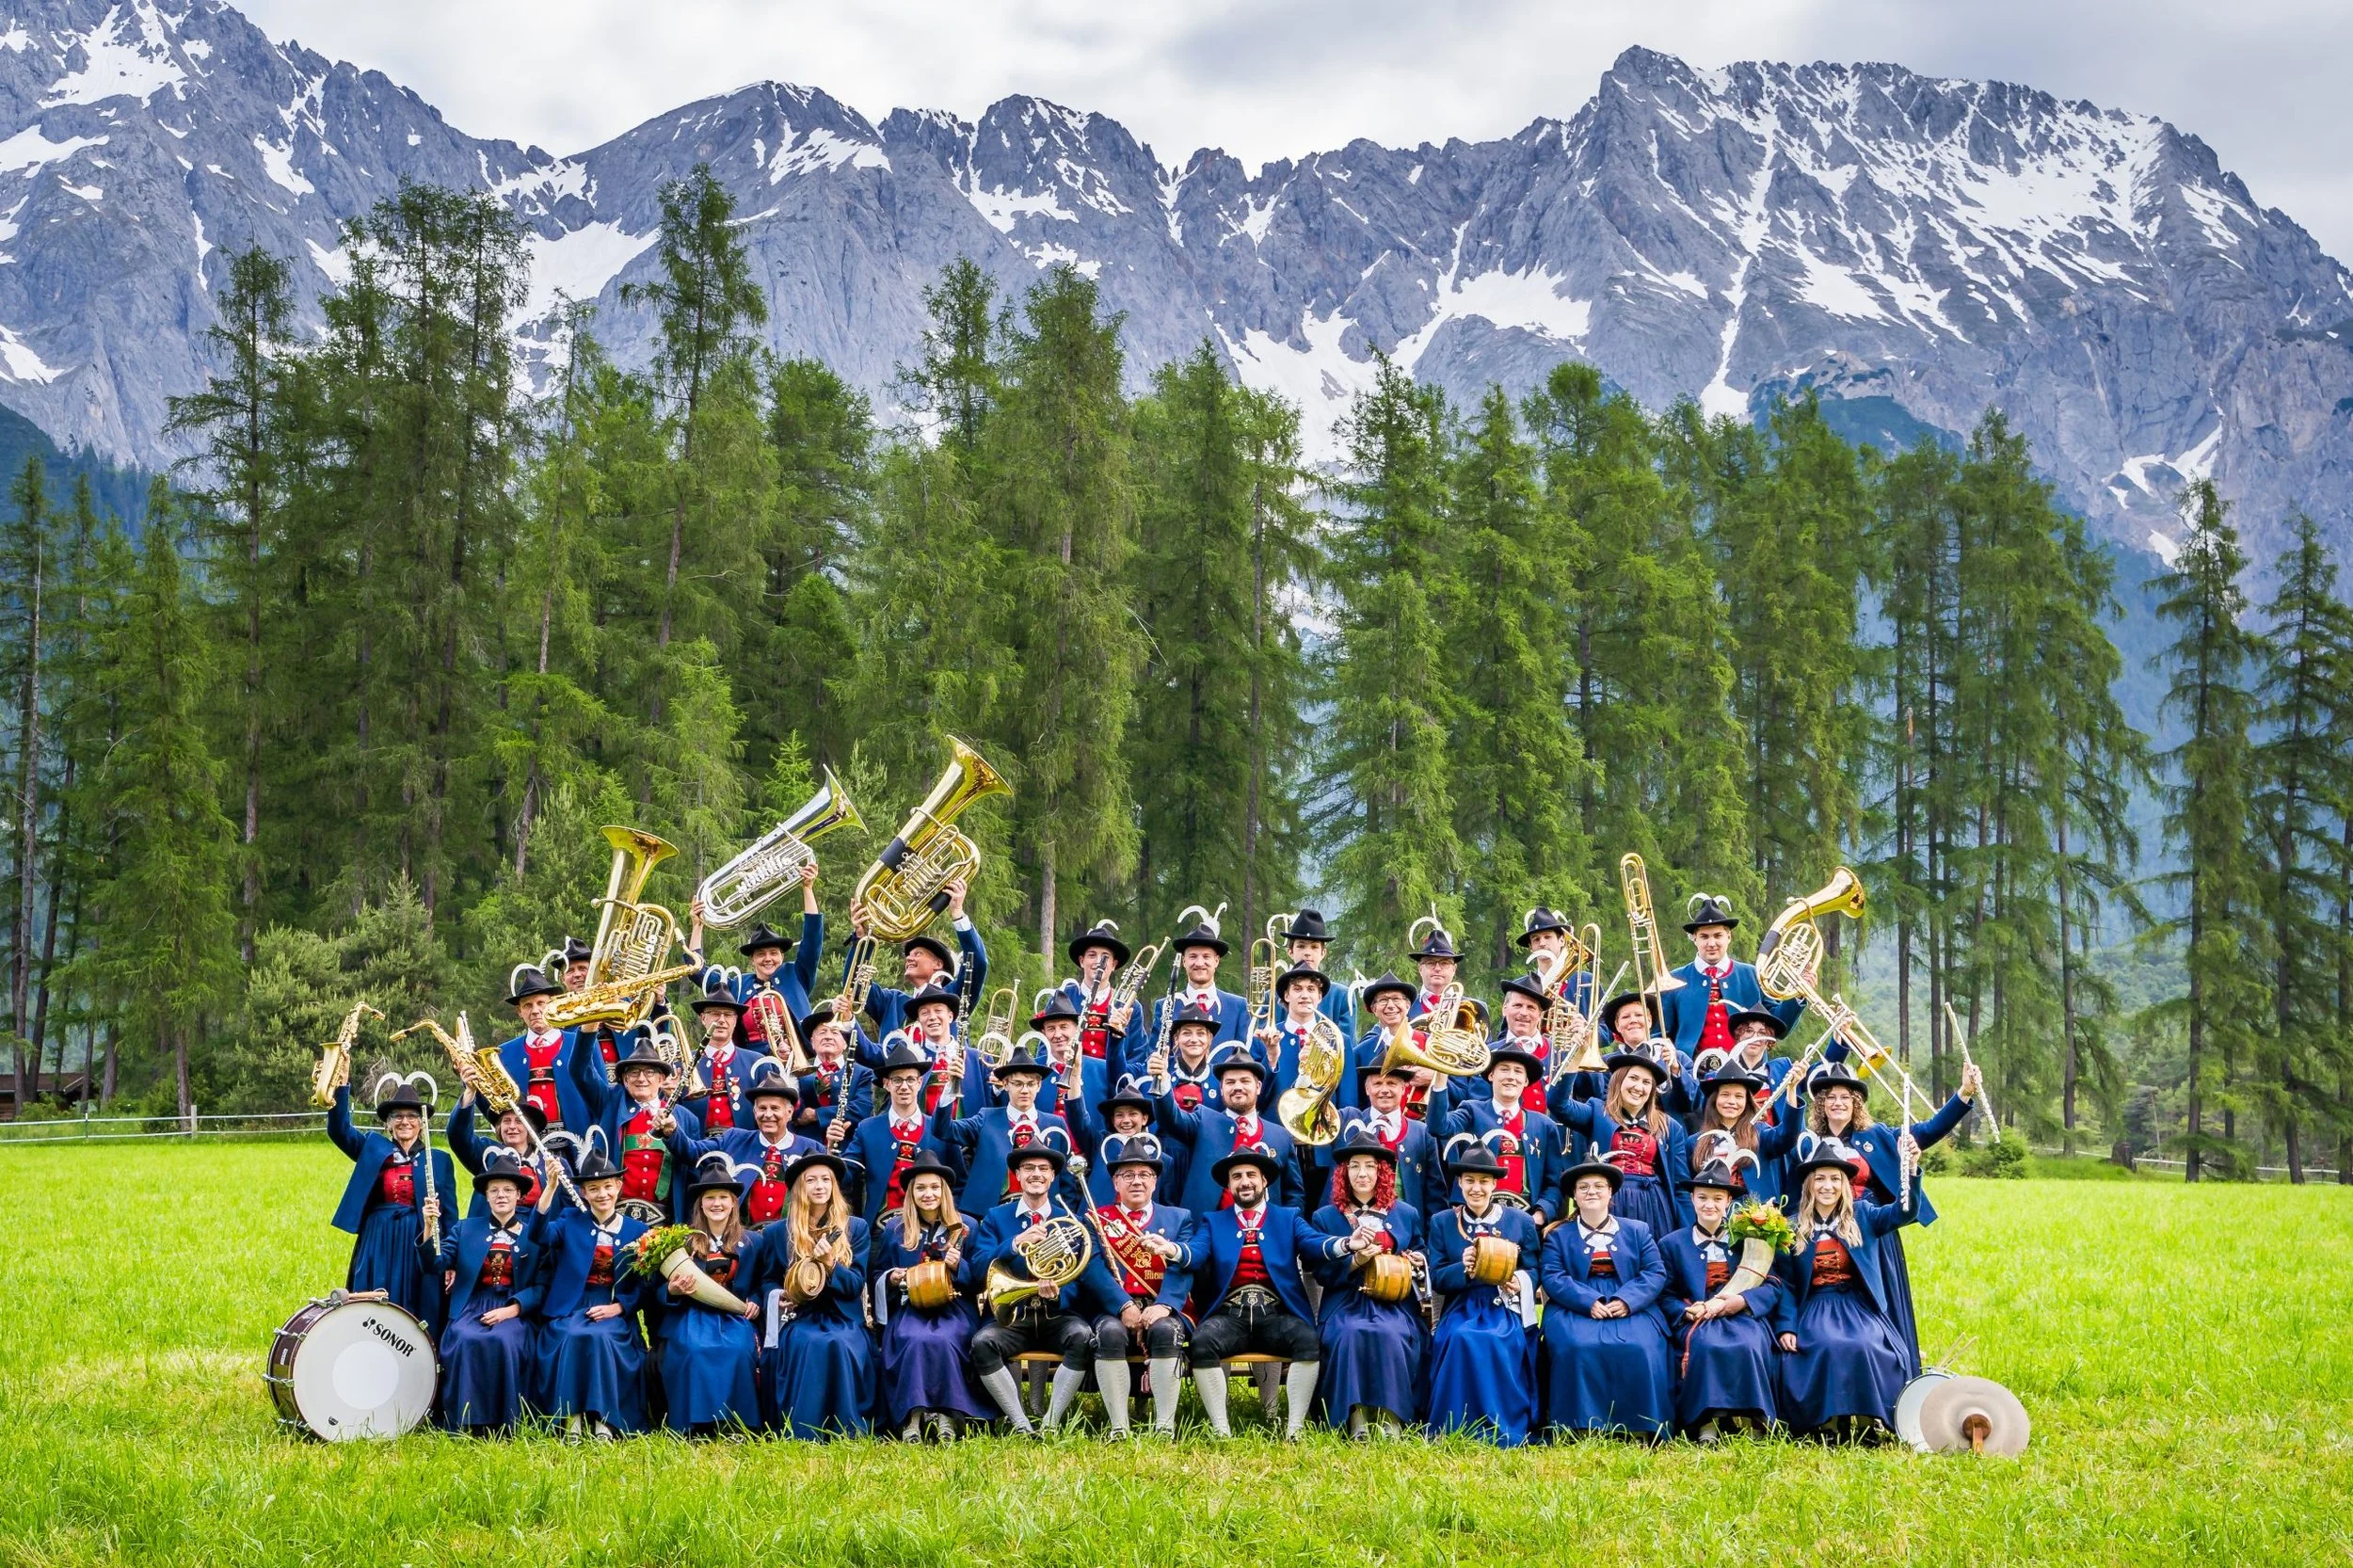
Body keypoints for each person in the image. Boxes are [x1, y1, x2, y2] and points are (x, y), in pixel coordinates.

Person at [1787, 1051, 1981, 1374]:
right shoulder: (1808, 1143)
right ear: (1820, 1104)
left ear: (1855, 1103)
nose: (1838, 1103)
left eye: (1845, 1097)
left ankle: (1891, 1375)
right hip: (1822, 1234)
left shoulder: (1876, 1137)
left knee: (1880, 1304)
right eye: (1830, 1097)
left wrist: (1963, 1094)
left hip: (1870, 1231)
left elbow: (1928, 1131)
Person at [1185, 1147, 1351, 1440]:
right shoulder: (1213, 1221)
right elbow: (1196, 1253)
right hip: (1230, 1316)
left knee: (1307, 1340)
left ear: (1264, 1181)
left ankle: (1295, 1428)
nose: (1244, 1181)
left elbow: (1315, 1243)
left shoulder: (1288, 1218)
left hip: (1276, 1314)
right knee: (1202, 1342)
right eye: (1236, 1177)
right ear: (1229, 1185)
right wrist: (1173, 1251)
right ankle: (1221, 1430)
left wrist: (1347, 1244)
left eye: (1251, 1175)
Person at [961, 1144, 1119, 1436]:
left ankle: (1051, 1421)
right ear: (1018, 1175)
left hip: (1057, 1315)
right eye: (1029, 1169)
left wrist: (1060, 1293)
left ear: (1053, 1176)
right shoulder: (997, 1217)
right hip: (1014, 1314)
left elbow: (1082, 1275)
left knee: (1082, 1338)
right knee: (983, 1343)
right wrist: (1014, 1243)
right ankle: (1019, 1421)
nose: (1036, 1174)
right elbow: (978, 1268)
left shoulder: (1070, 1220)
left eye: (1043, 1169)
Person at [1773, 1132, 1921, 1440]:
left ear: (1844, 1185)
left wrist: (1911, 1172)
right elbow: (1786, 1283)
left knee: (1865, 1344)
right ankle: (1828, 1422)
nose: (1828, 1186)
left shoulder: (1863, 1215)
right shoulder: (1792, 1227)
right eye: (1821, 1179)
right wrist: (1786, 1327)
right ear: (1809, 1185)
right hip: (1816, 1305)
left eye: (1835, 1179)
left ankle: (1870, 1420)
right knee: (1827, 1344)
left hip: (1857, 1304)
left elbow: (1904, 1213)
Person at [1540, 1145, 1673, 1440]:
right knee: (1575, 1346)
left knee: (1641, 1346)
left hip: (1630, 1300)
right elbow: (1553, 1276)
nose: (1591, 1192)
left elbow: (1654, 1272)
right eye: (1583, 1187)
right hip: (1575, 1303)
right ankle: (1580, 1424)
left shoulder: (1637, 1230)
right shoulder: (1558, 1236)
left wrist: (1626, 1301)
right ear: (1574, 1195)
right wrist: (1588, 1301)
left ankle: (1642, 1424)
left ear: (1611, 1192)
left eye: (1599, 1186)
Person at [1422, 1144, 1542, 1446]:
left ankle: (1504, 1420)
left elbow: (1535, 1268)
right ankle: (1455, 1423)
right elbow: (1437, 1278)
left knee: (1500, 1339)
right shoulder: (1442, 1222)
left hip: (1504, 1303)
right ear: (1459, 1183)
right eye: (1470, 1181)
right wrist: (1462, 1269)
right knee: (1462, 1337)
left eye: (1484, 1182)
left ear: (1494, 1184)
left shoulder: (1520, 1221)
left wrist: (1518, 1280)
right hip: (1462, 1305)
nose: (1477, 1188)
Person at [748, 1149, 873, 1439]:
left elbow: (856, 1284)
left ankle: (845, 1427)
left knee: (839, 1343)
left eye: (826, 1180)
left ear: (835, 1186)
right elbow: (767, 1279)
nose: (819, 1186)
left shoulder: (855, 1228)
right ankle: (805, 1428)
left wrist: (831, 1266)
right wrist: (781, 1294)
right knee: (808, 1342)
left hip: (841, 1315)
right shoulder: (778, 1232)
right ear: (799, 1189)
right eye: (811, 1180)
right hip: (800, 1316)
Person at [1309, 1130, 1426, 1437]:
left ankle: (1392, 1416)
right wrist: (1356, 1261)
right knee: (1349, 1333)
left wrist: (1414, 1261)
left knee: (1392, 1333)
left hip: (1394, 1301)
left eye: (1370, 1166)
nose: (1362, 1173)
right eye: (1355, 1166)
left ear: (1382, 1172)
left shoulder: (1405, 1213)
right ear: (1344, 1172)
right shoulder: (1326, 1217)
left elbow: (1422, 1253)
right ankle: (1356, 1415)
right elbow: (1322, 1272)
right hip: (1345, 1301)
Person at [534, 1134, 651, 1438]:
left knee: (602, 1338)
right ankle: (571, 1418)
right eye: (594, 1189)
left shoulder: (638, 1231)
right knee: (573, 1335)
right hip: (573, 1306)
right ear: (584, 1192)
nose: (602, 1194)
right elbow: (538, 1235)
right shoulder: (570, 1220)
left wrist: (619, 1307)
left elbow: (644, 1286)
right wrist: (549, 1188)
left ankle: (604, 1421)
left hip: (613, 1309)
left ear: (619, 1188)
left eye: (608, 1187)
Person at [871, 1148, 991, 1440]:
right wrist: (892, 1278)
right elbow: (877, 1274)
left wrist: (959, 1266)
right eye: (921, 1188)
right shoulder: (895, 1230)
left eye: (935, 1187)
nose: (928, 1194)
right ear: (911, 1193)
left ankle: (949, 1414)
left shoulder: (966, 1228)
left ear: (945, 1191)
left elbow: (980, 1279)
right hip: (911, 1305)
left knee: (946, 1339)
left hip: (955, 1307)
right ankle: (912, 1416)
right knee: (914, 1339)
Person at [1659, 1158, 1783, 1440]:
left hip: (1742, 1315)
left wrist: (1742, 1302)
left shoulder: (1748, 1241)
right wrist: (1685, 1310)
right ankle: (1707, 1421)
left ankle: (1756, 1418)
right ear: (1692, 1199)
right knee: (1706, 1345)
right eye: (1702, 1198)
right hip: (1698, 1317)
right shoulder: (1673, 1243)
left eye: (1717, 1198)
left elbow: (1772, 1284)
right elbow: (1664, 1293)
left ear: (1728, 1201)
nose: (1709, 1205)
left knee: (1750, 1343)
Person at [1087, 1134, 1198, 1439]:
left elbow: (1183, 1267)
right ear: (1116, 1183)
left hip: (1162, 1304)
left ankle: (1164, 1426)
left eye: (1144, 1175)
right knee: (1109, 1333)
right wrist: (1122, 1305)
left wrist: (1164, 1305)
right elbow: (1093, 1268)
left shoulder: (1179, 1218)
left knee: (1165, 1332)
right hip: (1115, 1306)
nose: (1137, 1181)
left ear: (1154, 1181)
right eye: (1128, 1175)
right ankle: (1118, 1426)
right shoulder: (1097, 1220)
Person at [424, 1147, 543, 1432]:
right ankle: (466, 1420)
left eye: (507, 1190)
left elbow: (542, 1284)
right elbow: (437, 1263)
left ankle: (506, 1420)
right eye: (494, 1190)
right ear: (486, 1196)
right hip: (473, 1305)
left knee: (505, 1341)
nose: (501, 1195)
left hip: (512, 1307)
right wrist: (430, 1228)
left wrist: (512, 1309)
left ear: (519, 1195)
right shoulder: (466, 1229)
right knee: (464, 1338)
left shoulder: (533, 1235)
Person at [325, 1076, 456, 1332]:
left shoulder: (438, 1160)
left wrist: (450, 1260)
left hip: (420, 1238)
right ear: (388, 1124)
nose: (405, 1121)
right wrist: (341, 1088)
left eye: (412, 1116)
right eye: (397, 1116)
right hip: (379, 1239)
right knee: (375, 1297)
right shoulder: (372, 1148)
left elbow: (449, 1213)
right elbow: (339, 1130)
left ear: (422, 1123)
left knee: (419, 1299)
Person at [655, 1153, 762, 1434]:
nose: (717, 1204)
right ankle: (695, 1422)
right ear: (700, 1204)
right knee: (693, 1349)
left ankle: (736, 1425)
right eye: (710, 1198)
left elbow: (765, 1281)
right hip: (692, 1314)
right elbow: (656, 1290)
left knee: (739, 1350)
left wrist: (757, 1302)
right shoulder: (683, 1241)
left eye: (723, 1197)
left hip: (734, 1316)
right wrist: (672, 1290)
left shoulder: (753, 1242)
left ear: (733, 1202)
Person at [1553, 1049, 1689, 1240]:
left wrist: (1687, 1234)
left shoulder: (1669, 1126)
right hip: (1609, 1201)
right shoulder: (1597, 1112)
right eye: (1633, 1078)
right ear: (1619, 1080)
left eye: (1646, 1082)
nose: (1639, 1087)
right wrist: (1576, 1057)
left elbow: (1680, 1185)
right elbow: (1558, 1103)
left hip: (1653, 1204)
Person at [571, 1030, 702, 1222]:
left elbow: (693, 1174)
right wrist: (588, 1031)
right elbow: (579, 1070)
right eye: (634, 1072)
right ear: (625, 1080)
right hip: (616, 1219)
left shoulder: (686, 1119)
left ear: (661, 1079)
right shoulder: (611, 1102)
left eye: (649, 1072)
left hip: (665, 1223)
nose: (641, 1078)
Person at [1157, 1043, 1303, 1215]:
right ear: (1221, 1089)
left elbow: (1294, 1194)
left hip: (1266, 1235)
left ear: (1258, 1087)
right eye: (1230, 1082)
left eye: (1245, 1081)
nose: (1237, 1087)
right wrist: (1162, 1081)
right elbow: (1172, 1119)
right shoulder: (1203, 1120)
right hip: (1209, 1234)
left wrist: (1286, 1230)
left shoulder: (1281, 1137)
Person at [673, 1058, 820, 1228]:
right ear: (754, 1111)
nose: (768, 1114)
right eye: (762, 1108)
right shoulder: (734, 1139)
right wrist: (672, 1130)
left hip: (790, 1241)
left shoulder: (811, 1149)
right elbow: (693, 1152)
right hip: (742, 1240)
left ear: (789, 1112)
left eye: (775, 1108)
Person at [934, 1037, 1076, 1211]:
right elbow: (944, 1130)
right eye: (1017, 1084)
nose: (1025, 1090)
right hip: (989, 1213)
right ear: (1006, 1084)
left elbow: (1067, 1181)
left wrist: (1066, 1216)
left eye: (1031, 1084)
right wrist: (950, 1087)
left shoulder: (1056, 1124)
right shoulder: (986, 1118)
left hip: (1043, 1214)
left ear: (1039, 1086)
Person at [1657, 896, 1803, 1063]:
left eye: (1718, 935)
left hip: (1746, 1074)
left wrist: (1797, 994)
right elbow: (1661, 1033)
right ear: (1694, 939)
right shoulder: (1673, 979)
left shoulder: (1753, 974)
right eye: (1704, 936)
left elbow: (1779, 1026)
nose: (1712, 943)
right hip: (1690, 1076)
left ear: (1729, 936)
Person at [693, 857, 827, 1032]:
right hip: (751, 1059)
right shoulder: (738, 984)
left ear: (782, 956)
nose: (768, 958)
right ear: (752, 960)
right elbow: (697, 970)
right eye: (761, 954)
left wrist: (807, 889)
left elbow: (812, 940)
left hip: (796, 1055)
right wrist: (697, 925)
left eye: (773, 953)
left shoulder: (796, 975)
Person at [1439, 1044, 1566, 1224]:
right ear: (1491, 1075)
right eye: (1504, 1070)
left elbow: (1553, 1183)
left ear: (1526, 1081)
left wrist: (1539, 1216)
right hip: (1473, 1216)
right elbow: (1439, 1127)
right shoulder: (1471, 1111)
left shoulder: (1544, 1125)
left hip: (1526, 1221)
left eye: (1518, 1071)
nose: (1511, 1077)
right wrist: (1439, 1079)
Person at [848, 877, 986, 1042]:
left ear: (938, 964)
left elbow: (977, 962)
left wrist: (958, 914)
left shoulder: (954, 996)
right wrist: (862, 939)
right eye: (909, 954)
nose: (909, 958)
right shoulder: (891, 1002)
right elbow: (855, 985)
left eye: (918, 953)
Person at [846, 1038, 963, 1224]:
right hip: (881, 1227)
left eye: (910, 1079)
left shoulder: (939, 1129)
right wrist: (831, 1149)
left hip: (929, 1225)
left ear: (919, 1082)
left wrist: (946, 1221)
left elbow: (959, 1182)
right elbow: (845, 1177)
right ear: (886, 1084)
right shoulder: (867, 1129)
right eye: (897, 1080)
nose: (904, 1086)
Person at [1317, 1058, 1448, 1220]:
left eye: (1392, 1083)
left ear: (1403, 1088)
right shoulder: (1346, 1120)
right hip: (1349, 1229)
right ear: (1366, 1089)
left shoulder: (1422, 1132)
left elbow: (1435, 1195)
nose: (1384, 1090)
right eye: (1378, 1084)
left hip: (1405, 1233)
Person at [1135, 910, 1250, 1077]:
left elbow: (1244, 1057)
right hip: (1175, 1095)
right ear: (1184, 961)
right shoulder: (1166, 1005)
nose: (1199, 963)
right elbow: (1155, 1056)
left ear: (1216, 961)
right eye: (1193, 956)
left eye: (1206, 957)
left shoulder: (1238, 1006)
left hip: (1222, 1097)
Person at [494, 966, 593, 1136]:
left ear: (553, 1004)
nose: (535, 1011)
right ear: (519, 1011)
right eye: (527, 1005)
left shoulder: (579, 1042)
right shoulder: (504, 1054)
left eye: (541, 1003)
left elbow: (600, 1096)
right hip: (530, 1147)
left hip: (580, 1144)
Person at [1684, 1054, 1778, 1217]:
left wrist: (1791, 1093)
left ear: (1747, 1102)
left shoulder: (1760, 1132)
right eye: (1725, 1095)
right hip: (1711, 1215)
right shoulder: (1694, 1142)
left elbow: (1787, 1137)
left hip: (1753, 1218)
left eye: (1739, 1096)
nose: (1732, 1101)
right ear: (1715, 1100)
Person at [1259, 964, 1355, 1120]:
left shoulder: (1339, 1041)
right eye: (1297, 989)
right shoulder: (1266, 1038)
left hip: (1322, 1135)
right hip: (1278, 1135)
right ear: (1286, 996)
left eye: (1311, 989)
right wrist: (1271, 1058)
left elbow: (1348, 1101)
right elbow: (1256, 1099)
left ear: (1320, 997)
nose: (1305, 995)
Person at [445, 1087, 558, 1219]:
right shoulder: (487, 1153)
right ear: (499, 1127)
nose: (512, 1127)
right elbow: (458, 1136)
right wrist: (470, 1092)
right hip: (492, 1233)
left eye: (519, 1121)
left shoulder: (550, 1163)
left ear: (530, 1128)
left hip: (536, 1235)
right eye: (506, 1121)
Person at [1353, 974, 1449, 1126]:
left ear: (1408, 1005)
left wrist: (1435, 1078)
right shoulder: (1361, 1052)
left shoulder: (1434, 1044)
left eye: (1396, 999)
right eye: (1383, 1000)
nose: (1390, 1005)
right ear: (1374, 1009)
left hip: (1426, 1132)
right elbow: (1356, 1100)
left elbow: (1462, 1090)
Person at [676, 981, 764, 1136]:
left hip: (742, 1147)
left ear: (736, 1021)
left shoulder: (757, 1063)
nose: (721, 1020)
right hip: (694, 1147)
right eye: (715, 1014)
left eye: (728, 1015)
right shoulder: (681, 1063)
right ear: (703, 1018)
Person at [793, 1009, 872, 1152]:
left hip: (848, 1149)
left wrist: (816, 1115)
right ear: (812, 1042)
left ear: (845, 1043)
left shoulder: (863, 1073)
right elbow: (795, 1113)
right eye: (822, 1032)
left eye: (835, 1032)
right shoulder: (799, 1073)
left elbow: (861, 1110)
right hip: (805, 1149)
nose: (828, 1037)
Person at [1061, 920, 1135, 1070]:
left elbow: (1136, 1056)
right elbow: (1048, 1047)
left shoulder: (1129, 1006)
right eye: (1092, 955)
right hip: (1068, 1081)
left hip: (1111, 1087)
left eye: (1105, 957)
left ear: (1114, 964)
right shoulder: (1064, 998)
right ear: (1082, 961)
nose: (1098, 962)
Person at [1280, 909, 1355, 1044]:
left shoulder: (1342, 996)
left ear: (1323, 953)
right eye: (1301, 946)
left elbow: (1347, 1044)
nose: (1308, 953)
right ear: (1290, 952)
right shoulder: (1273, 996)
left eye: (1314, 947)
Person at [1492, 974, 1560, 1114]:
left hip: (1551, 1134)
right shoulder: (1488, 1053)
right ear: (1504, 1009)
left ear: (1540, 1015)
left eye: (1531, 1008)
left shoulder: (1559, 1052)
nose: (1523, 1013)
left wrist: (1581, 1050)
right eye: (1517, 1005)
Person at [1407, 920, 1463, 1020]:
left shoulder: (1472, 1008)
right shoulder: (1403, 1008)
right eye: (1430, 963)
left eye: (1444, 963)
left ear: (1454, 969)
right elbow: (1374, 1035)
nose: (1437, 968)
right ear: (1420, 968)